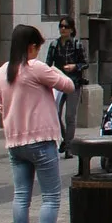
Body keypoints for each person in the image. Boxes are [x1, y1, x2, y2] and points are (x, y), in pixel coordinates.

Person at [0, 23, 75, 223]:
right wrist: (54, 69)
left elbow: (1, 107)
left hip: (15, 142)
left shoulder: (0, 73)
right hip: (41, 139)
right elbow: (68, 85)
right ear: (31, 46)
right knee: (51, 196)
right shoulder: (36, 68)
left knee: (21, 196)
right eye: (38, 47)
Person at [46, 16, 88, 152]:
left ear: (71, 29)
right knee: (55, 113)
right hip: (58, 83)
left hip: (73, 83)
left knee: (70, 115)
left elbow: (85, 63)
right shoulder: (54, 45)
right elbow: (48, 64)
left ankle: (69, 146)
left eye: (66, 26)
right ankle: (66, 139)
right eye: (61, 26)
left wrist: (74, 66)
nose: (63, 29)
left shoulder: (77, 44)